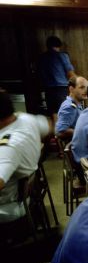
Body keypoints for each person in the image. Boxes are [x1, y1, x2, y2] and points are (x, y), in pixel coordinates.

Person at [0, 89, 52, 225]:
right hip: (30, 192)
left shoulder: (7, 147)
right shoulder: (25, 118)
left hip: (8, 206)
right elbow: (49, 126)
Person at [37, 36, 77, 120]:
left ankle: (57, 133)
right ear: (59, 45)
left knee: (54, 116)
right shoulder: (62, 56)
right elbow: (71, 75)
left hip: (48, 91)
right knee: (66, 117)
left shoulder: (41, 58)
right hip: (61, 90)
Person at [55, 76, 88, 142]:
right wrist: (84, 133)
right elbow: (60, 131)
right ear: (71, 89)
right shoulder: (69, 106)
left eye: (87, 87)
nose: (86, 91)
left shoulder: (76, 103)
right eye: (82, 87)